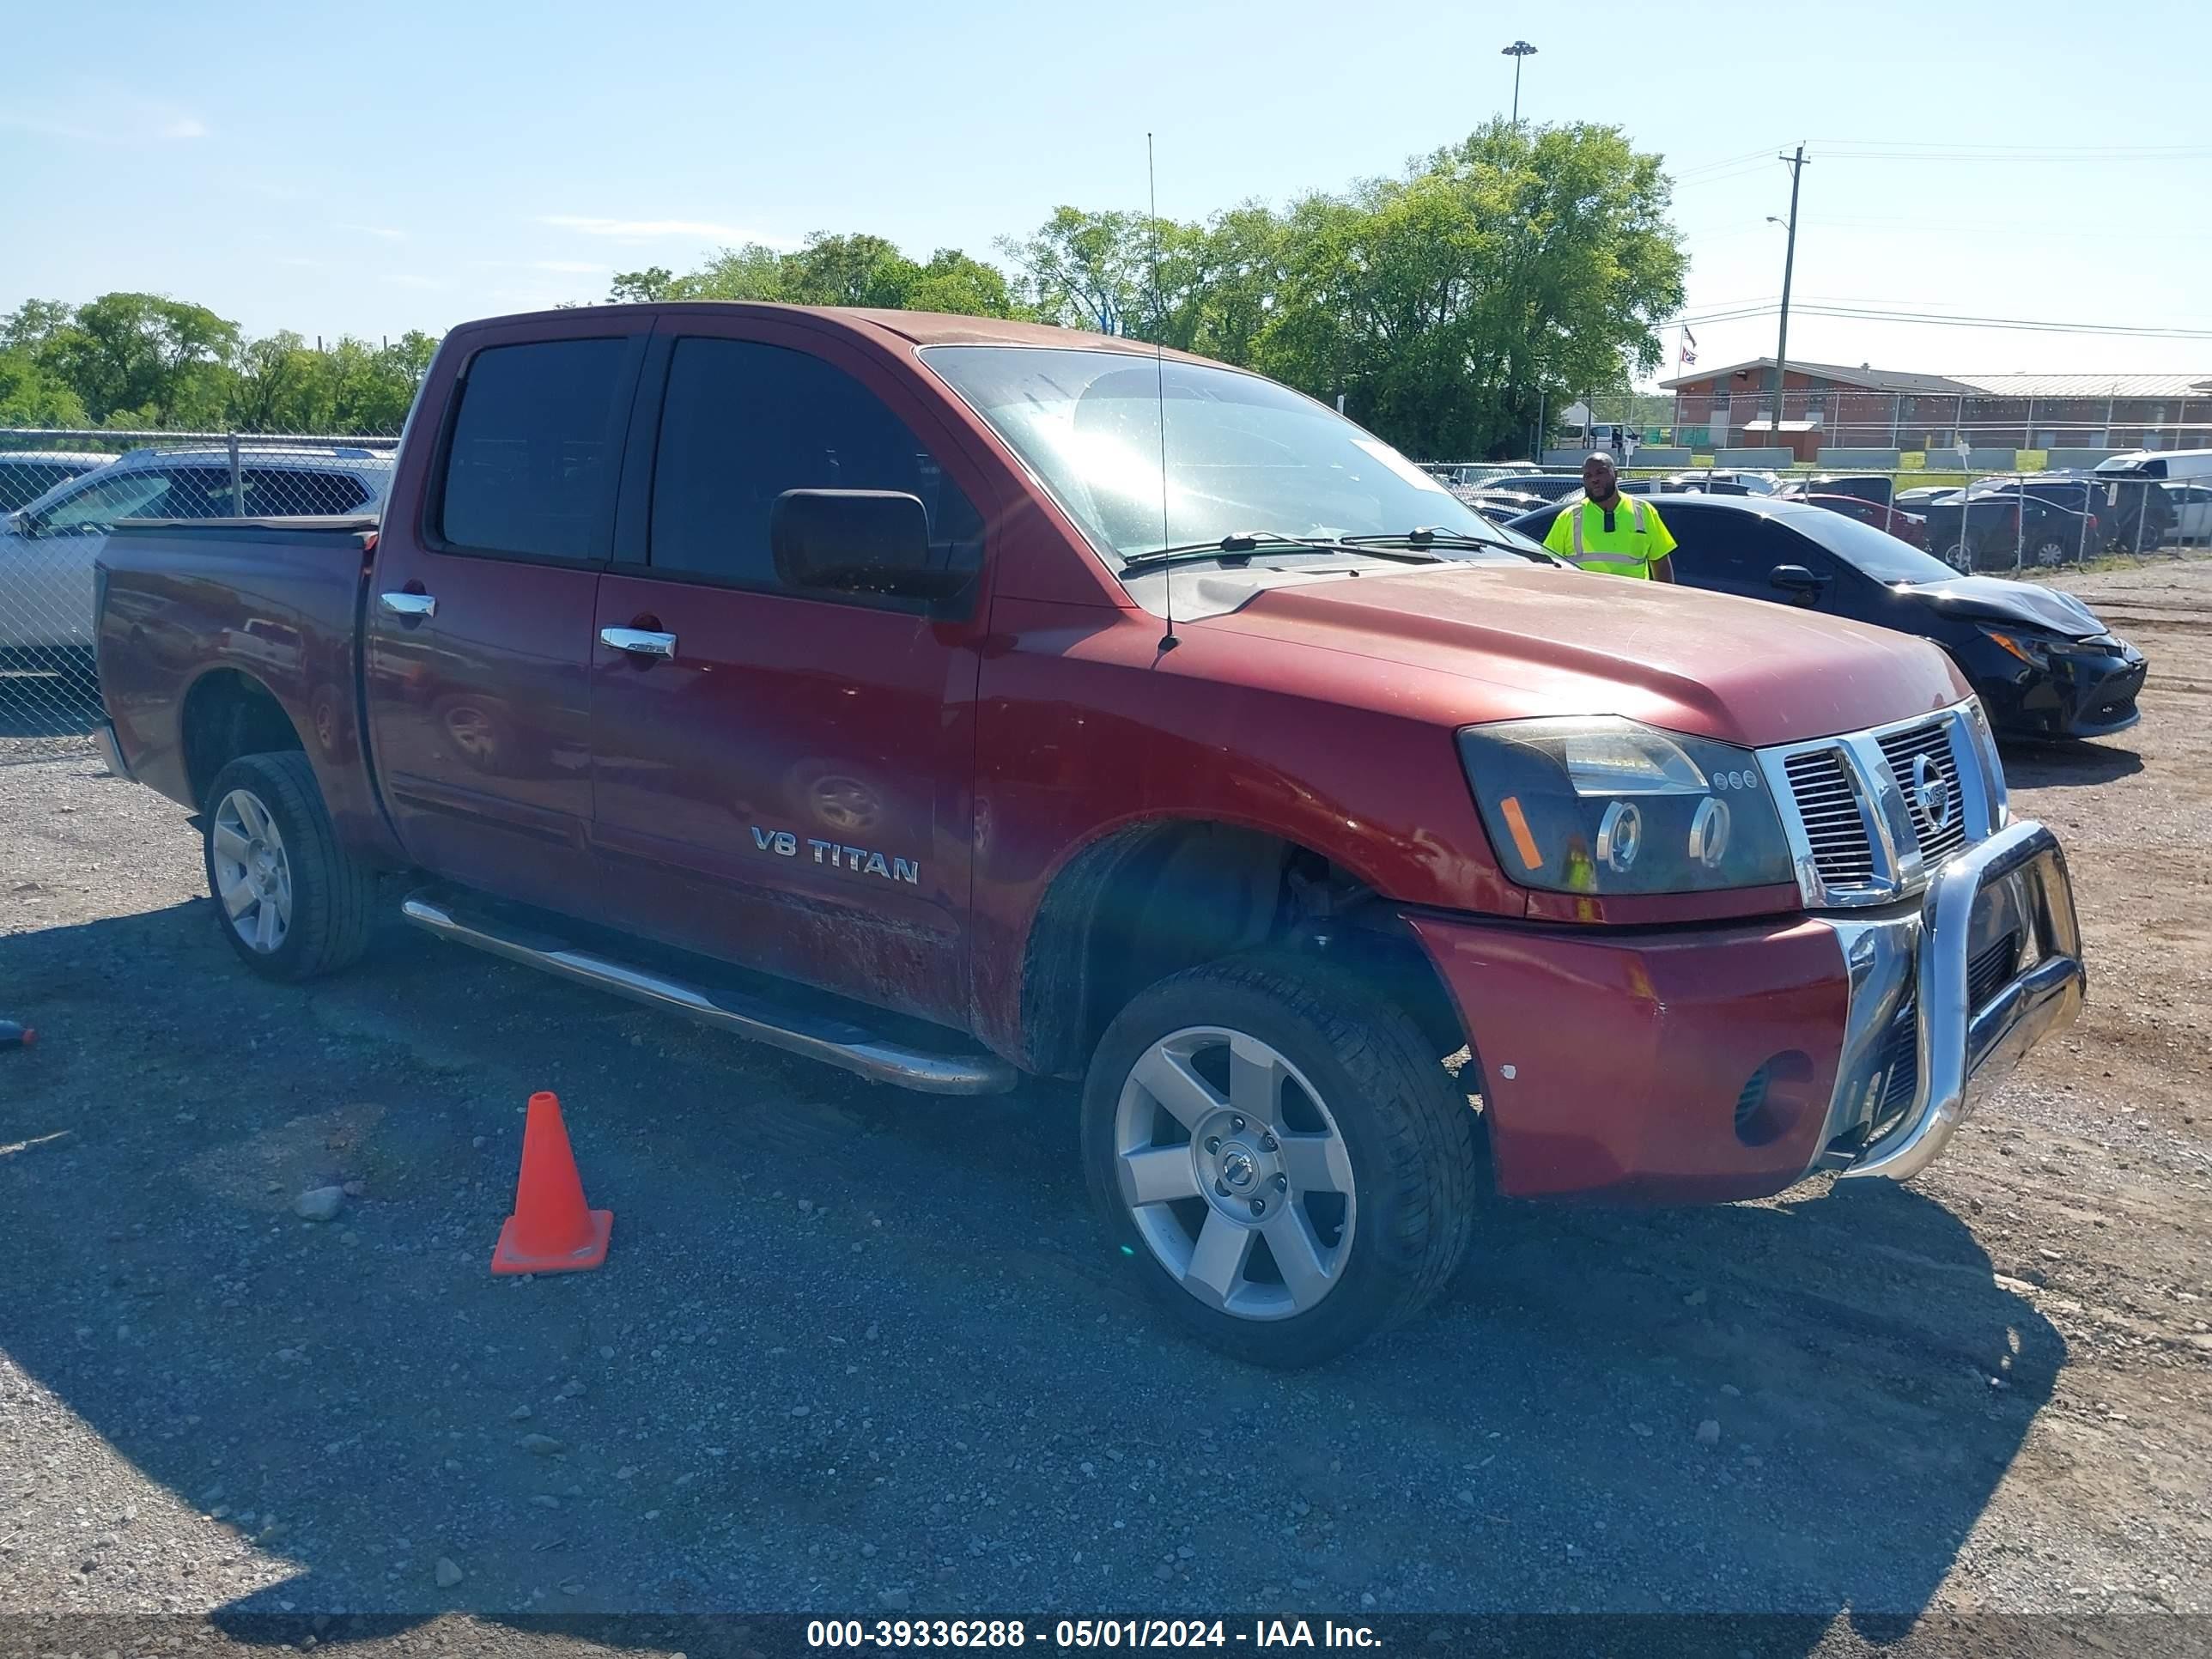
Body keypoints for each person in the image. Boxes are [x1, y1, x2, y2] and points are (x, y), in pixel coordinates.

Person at [1542, 453, 1676, 581]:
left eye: (1601, 472)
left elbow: (1661, 563)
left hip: (1631, 601)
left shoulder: (1643, 511)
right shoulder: (1568, 517)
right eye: (1588, 476)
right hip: (1584, 601)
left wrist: (1664, 601)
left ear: (1615, 474)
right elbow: (1548, 565)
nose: (1594, 479)